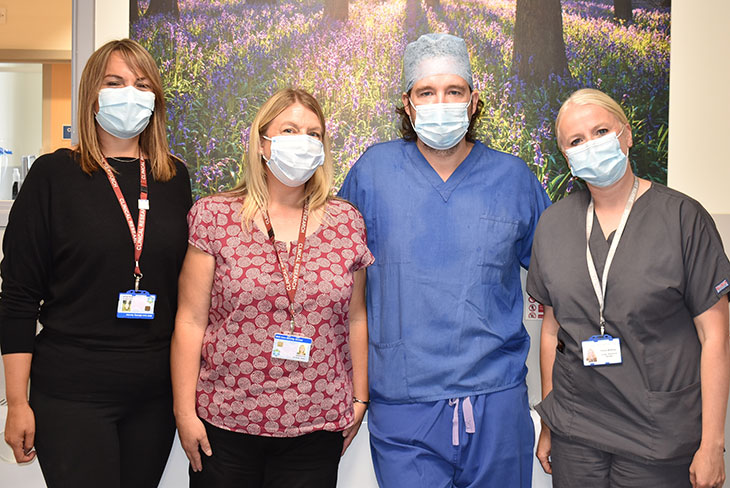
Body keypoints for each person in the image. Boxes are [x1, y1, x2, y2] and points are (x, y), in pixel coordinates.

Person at [338, 33, 551, 487]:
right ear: (407, 103)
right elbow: (336, 282)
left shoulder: (513, 178)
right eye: (426, 92)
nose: (441, 103)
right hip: (402, 401)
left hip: (495, 398)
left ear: (474, 101)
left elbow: (561, 285)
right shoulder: (373, 173)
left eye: (454, 91)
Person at [0, 39, 192, 488]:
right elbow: (18, 297)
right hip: (72, 389)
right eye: (115, 82)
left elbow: (188, 290)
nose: (130, 93)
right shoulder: (53, 175)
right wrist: (16, 401)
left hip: (154, 392)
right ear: (92, 94)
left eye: (142, 84)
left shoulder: (173, 177)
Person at [527, 88, 730, 488]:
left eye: (601, 131)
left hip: (657, 434)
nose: (591, 146)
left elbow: (716, 338)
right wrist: (551, 422)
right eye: (576, 141)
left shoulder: (683, 219)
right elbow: (552, 331)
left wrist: (712, 443)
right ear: (567, 158)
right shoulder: (553, 225)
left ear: (627, 135)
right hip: (577, 431)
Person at [171, 88, 373, 487]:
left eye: (314, 134)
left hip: (315, 425)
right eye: (290, 129)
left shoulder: (346, 221)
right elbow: (190, 320)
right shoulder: (216, 216)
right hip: (225, 423)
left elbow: (355, 318)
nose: (304, 141)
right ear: (262, 142)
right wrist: (184, 413)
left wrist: (360, 399)